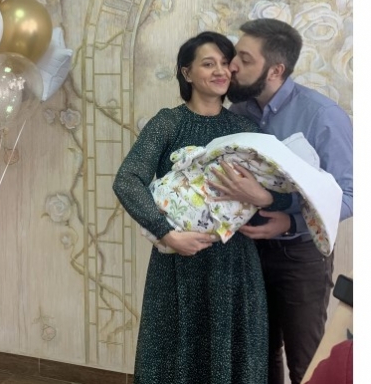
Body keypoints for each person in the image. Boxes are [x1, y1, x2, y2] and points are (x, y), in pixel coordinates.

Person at [111, 32, 291, 384]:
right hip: (178, 263)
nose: (220, 71)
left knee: (232, 356)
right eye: (209, 64)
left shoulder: (245, 129)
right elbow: (127, 180)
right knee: (175, 357)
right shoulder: (169, 123)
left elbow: (284, 191)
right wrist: (166, 233)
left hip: (235, 264)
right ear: (187, 73)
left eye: (225, 63)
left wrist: (264, 197)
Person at [222, 18, 353, 384]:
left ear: (276, 70)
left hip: (300, 255)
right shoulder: (238, 114)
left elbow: (351, 194)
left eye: (245, 59)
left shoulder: (322, 116)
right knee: (258, 356)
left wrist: (291, 221)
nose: (233, 66)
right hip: (247, 252)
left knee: (305, 362)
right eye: (235, 56)